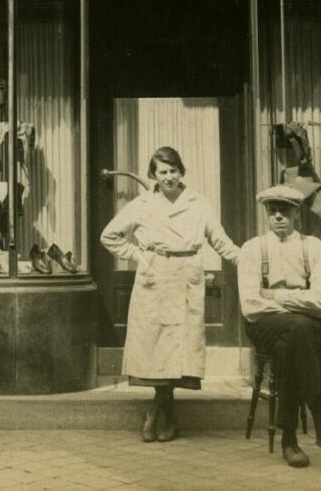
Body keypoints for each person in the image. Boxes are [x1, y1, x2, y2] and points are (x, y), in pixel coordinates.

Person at [101, 146, 241, 442]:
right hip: (156, 276)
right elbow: (109, 236)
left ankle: (158, 411)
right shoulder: (141, 204)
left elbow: (220, 240)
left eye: (173, 170)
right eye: (162, 172)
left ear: (181, 171)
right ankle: (165, 413)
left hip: (187, 275)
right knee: (157, 348)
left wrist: (248, 259)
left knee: (179, 349)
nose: (168, 177)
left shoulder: (199, 203)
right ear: (153, 175)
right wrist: (139, 256)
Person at [238, 184, 321, 468]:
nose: (278, 216)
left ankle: (289, 438)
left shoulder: (314, 247)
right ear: (265, 213)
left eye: (284, 210)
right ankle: (320, 420)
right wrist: (299, 300)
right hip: (265, 324)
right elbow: (250, 307)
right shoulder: (252, 249)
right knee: (298, 328)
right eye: (272, 210)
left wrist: (274, 295)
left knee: (290, 342)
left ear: (297, 213)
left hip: (307, 326)